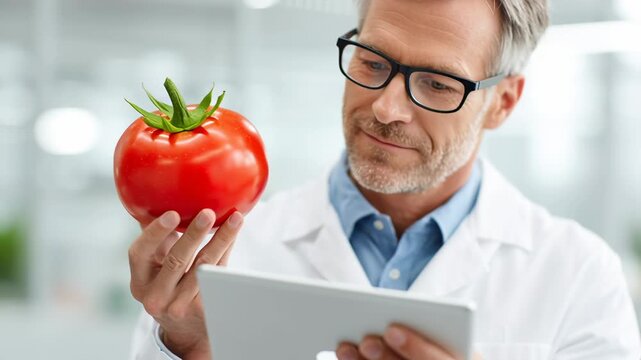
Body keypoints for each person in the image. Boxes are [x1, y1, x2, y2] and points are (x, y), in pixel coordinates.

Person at [128, 0, 641, 359]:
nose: (387, 107)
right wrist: (189, 350)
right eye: (373, 62)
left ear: (503, 102)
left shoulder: (578, 274)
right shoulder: (223, 254)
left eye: (438, 84)